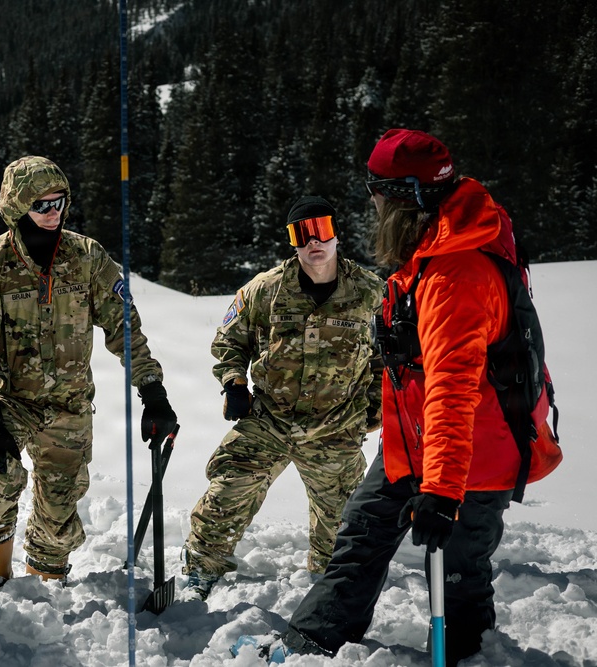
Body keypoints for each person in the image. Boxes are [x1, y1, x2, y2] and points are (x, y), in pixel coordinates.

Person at [267, 129, 520, 666]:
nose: (373, 202)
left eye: (376, 190)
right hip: (415, 442)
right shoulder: (433, 249)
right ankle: (306, 649)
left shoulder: (456, 273)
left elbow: (455, 387)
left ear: (406, 196)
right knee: (359, 538)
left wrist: (444, 491)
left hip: (469, 456)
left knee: (458, 575)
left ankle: (466, 658)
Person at [0, 155, 177, 603]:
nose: (54, 212)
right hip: (9, 403)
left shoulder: (87, 257)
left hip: (69, 406)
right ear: (17, 207)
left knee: (59, 510)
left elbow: (123, 325)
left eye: (60, 202)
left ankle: (45, 588)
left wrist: (153, 391)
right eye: (42, 205)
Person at [179, 196, 383, 601]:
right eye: (301, 234)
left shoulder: (370, 292)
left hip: (336, 427)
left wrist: (373, 408)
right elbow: (229, 341)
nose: (313, 243)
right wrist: (235, 382)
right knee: (227, 488)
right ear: (293, 242)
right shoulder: (265, 289)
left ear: (336, 232)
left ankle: (328, 585)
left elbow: (388, 357)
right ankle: (202, 568)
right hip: (270, 418)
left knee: (342, 526)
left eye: (321, 229)